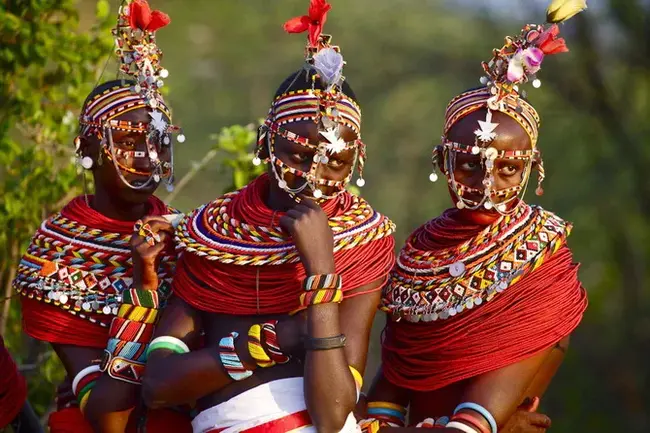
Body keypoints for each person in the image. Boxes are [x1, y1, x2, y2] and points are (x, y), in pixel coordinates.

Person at [140, 1, 395, 432]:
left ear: (357, 161)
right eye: (298, 155)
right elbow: (160, 384)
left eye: (334, 163)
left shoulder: (364, 242)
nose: (314, 179)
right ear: (265, 144)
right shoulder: (212, 235)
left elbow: (333, 414)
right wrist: (284, 338)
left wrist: (321, 270)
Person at [359, 13, 589, 433]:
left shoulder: (541, 259)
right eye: (468, 167)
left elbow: (472, 424)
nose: (487, 185)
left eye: (507, 170)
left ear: (531, 169)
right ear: (441, 163)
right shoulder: (418, 256)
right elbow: (389, 390)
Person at [12, 1, 191, 431]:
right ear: (86, 150)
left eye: (160, 142)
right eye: (130, 142)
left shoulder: (192, 235)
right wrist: (144, 289)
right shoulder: (56, 254)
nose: (149, 158)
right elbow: (108, 414)